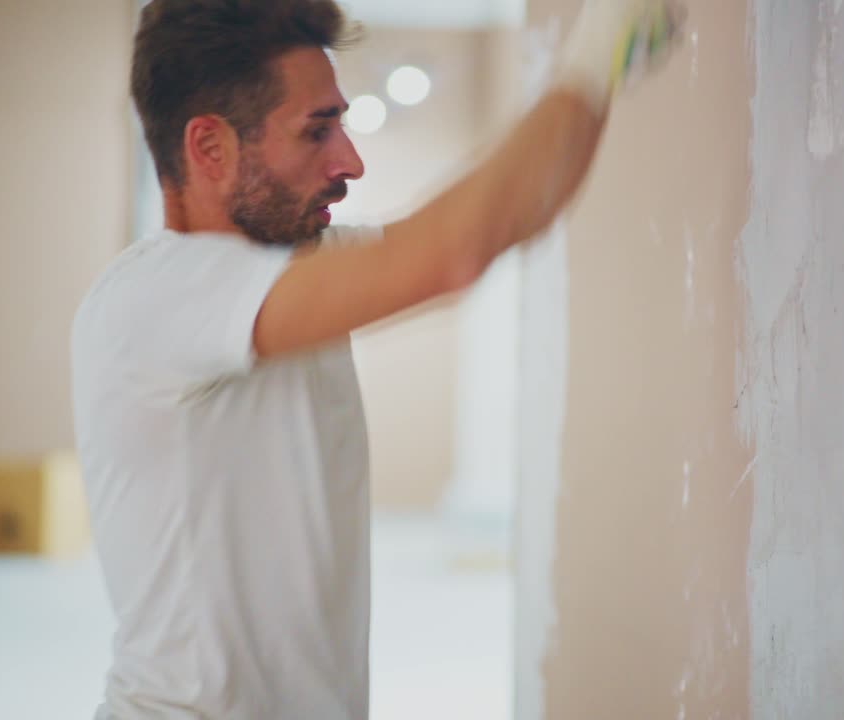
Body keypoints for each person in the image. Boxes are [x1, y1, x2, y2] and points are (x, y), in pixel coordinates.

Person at [71, 0, 681, 717]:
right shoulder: (153, 296)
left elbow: (508, 216)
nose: (350, 161)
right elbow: (452, 255)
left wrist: (599, 70)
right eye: (317, 131)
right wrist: (592, 48)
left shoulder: (298, 266)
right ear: (210, 148)